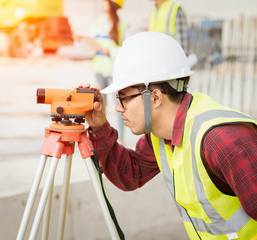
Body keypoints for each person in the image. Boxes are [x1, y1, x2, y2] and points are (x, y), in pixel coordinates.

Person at [82, 32, 257, 239]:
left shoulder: (221, 139)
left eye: (124, 98)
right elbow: (129, 174)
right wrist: (100, 127)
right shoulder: (160, 135)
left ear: (155, 97)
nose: (119, 108)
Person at [89, 0, 129, 143]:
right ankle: (103, 138)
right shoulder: (98, 22)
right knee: (100, 106)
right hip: (99, 69)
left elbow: (126, 49)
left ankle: (121, 139)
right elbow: (91, 43)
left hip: (113, 71)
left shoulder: (122, 24)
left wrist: (110, 51)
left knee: (119, 105)